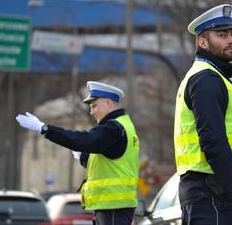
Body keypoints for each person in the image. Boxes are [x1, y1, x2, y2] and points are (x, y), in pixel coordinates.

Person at [173, 4, 232, 225]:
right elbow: (213, 141)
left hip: (210, 192)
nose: (230, 39)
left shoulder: (211, 77)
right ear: (202, 42)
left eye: (231, 33)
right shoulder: (206, 80)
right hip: (212, 194)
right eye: (221, 35)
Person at [16, 81, 139, 225]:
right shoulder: (123, 126)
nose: (92, 112)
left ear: (108, 103)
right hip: (112, 207)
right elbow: (111, 162)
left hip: (113, 207)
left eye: (94, 106)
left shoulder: (114, 128)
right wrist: (84, 157)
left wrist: (44, 128)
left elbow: (83, 139)